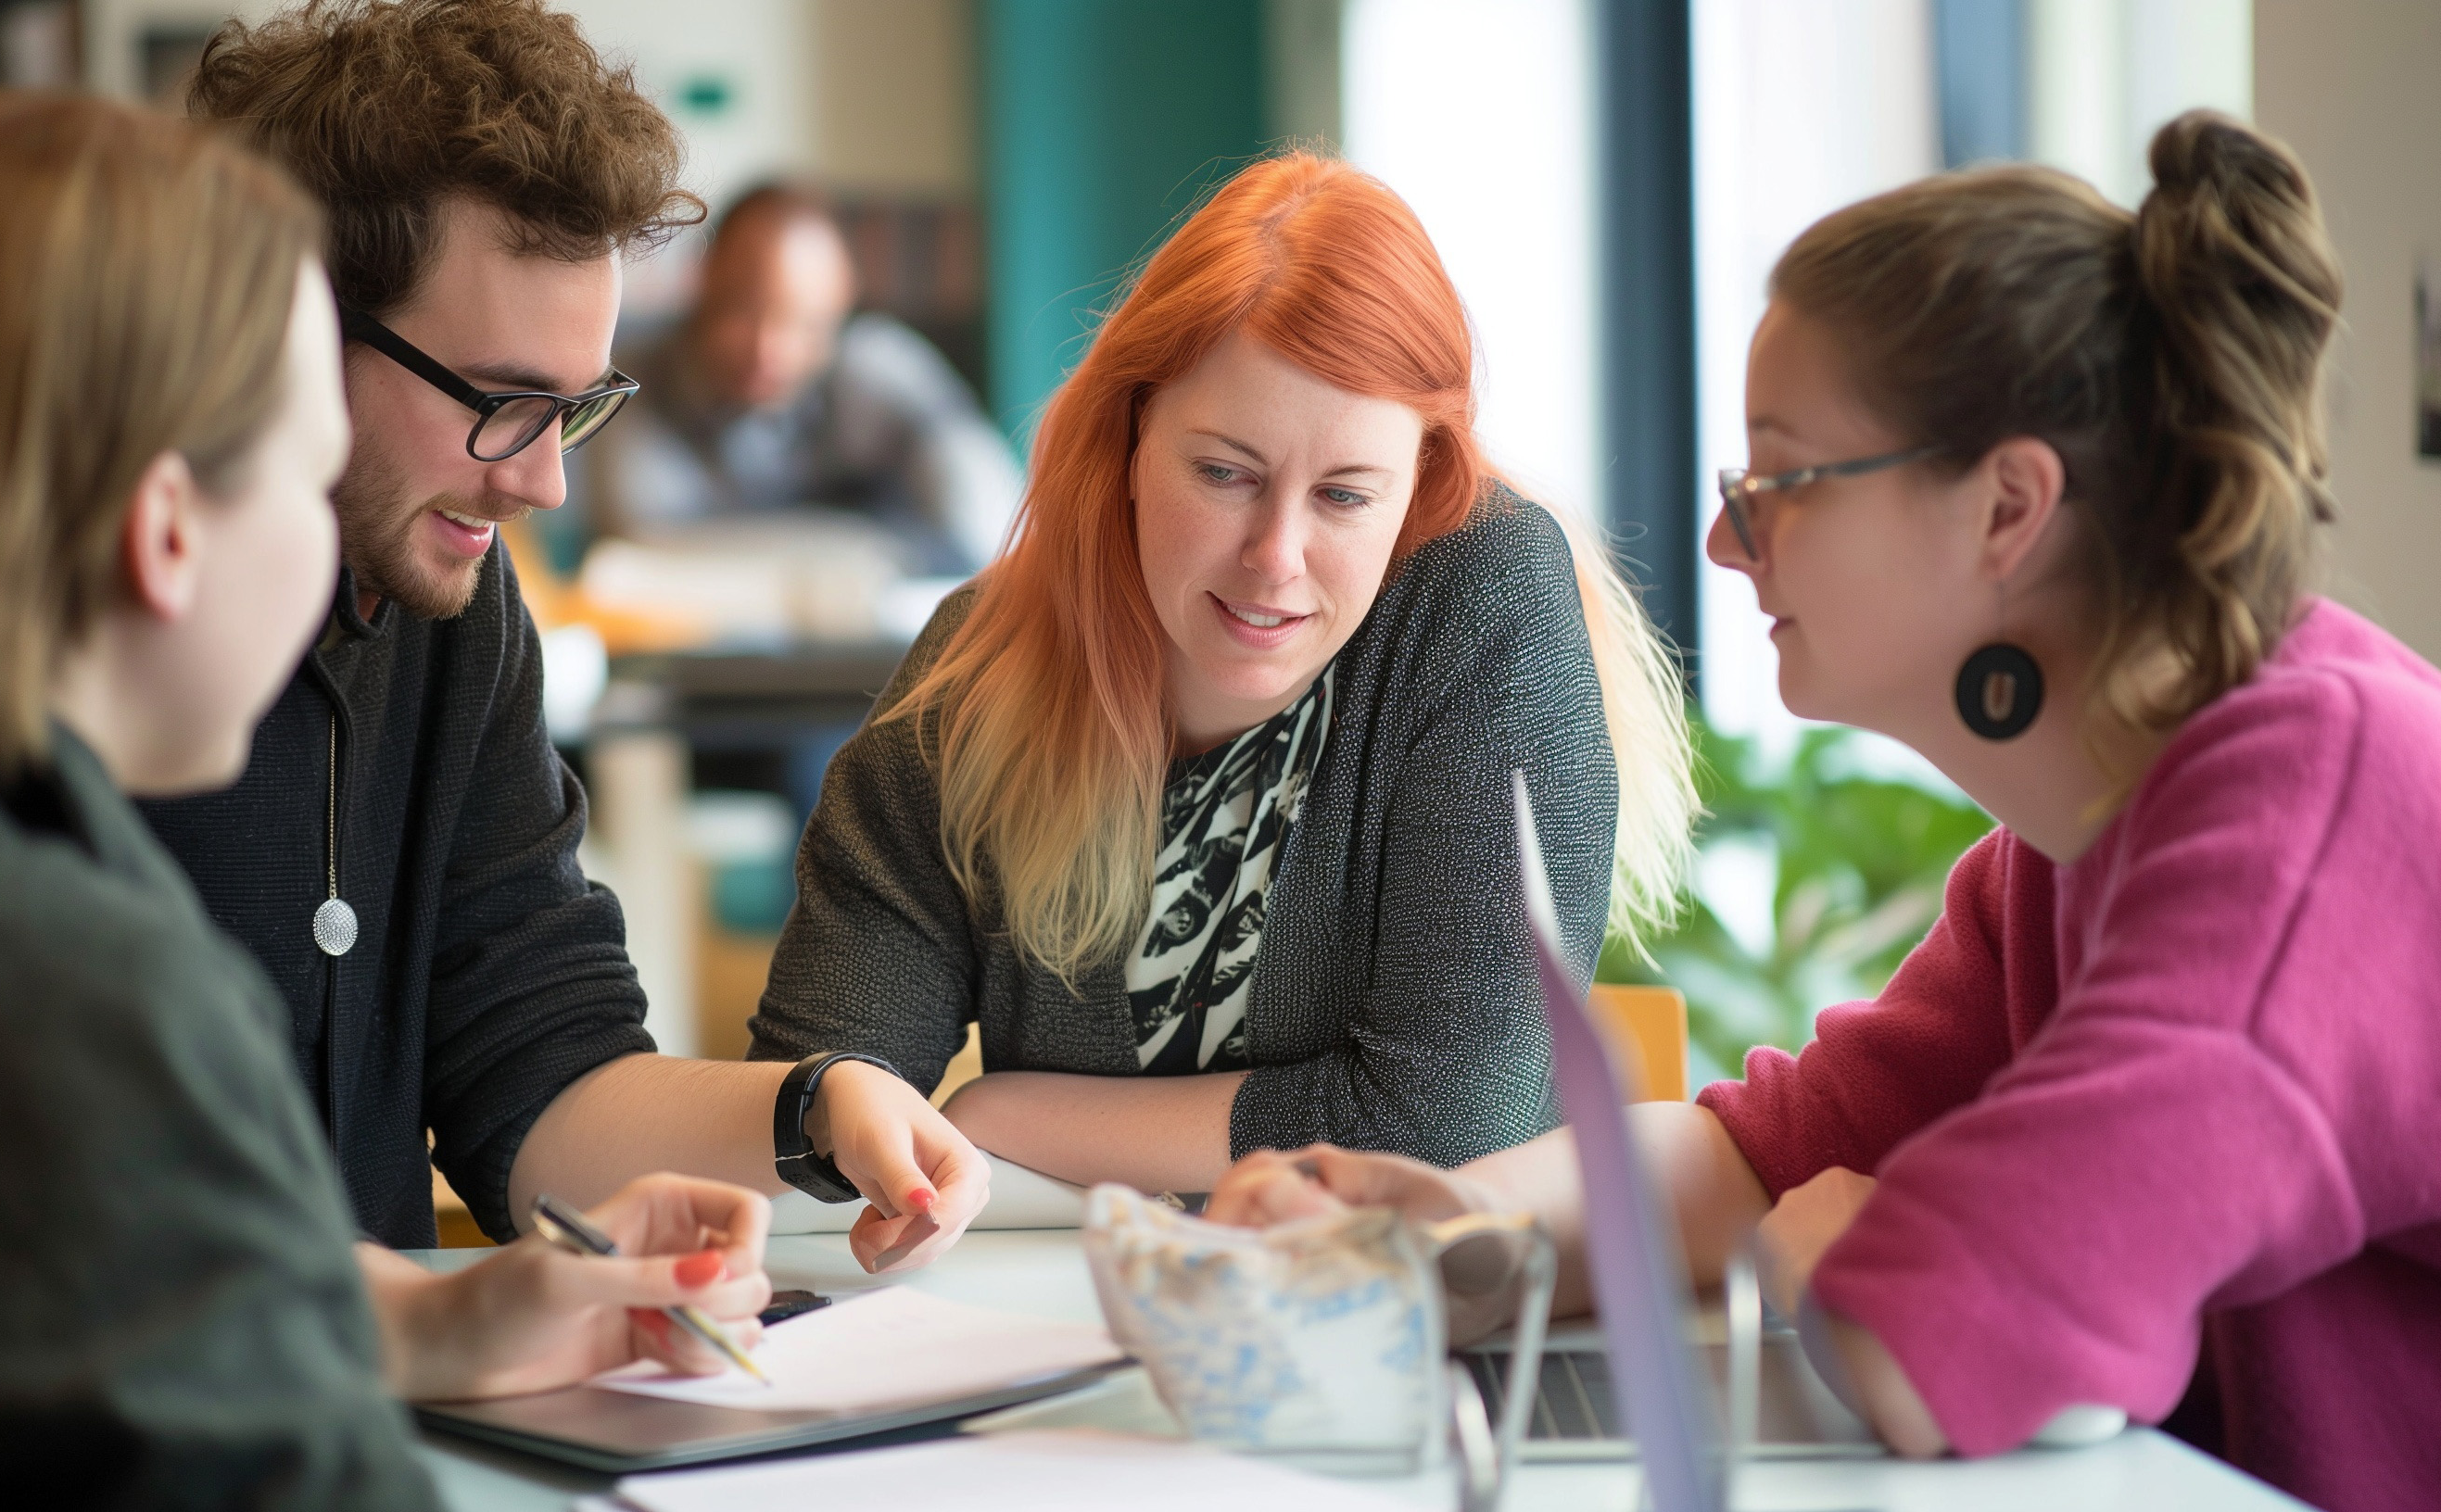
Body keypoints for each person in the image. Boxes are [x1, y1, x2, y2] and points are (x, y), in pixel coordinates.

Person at [1207, 114, 2441, 1512]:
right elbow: (1766, 1147)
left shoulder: (2307, 823)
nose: (1726, 540)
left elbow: (1930, 1343)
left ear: (2006, 510)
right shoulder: (2069, 853)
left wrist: (1833, 1240)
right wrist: (1450, 1221)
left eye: (1779, 481)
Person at [0, 93, 771, 1506]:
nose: (543, 477)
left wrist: (432, 1319)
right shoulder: (85, 995)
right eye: (299, 476)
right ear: (167, 533)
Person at [143, 0, 985, 1275]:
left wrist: (811, 1110)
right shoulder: (86, 648)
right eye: (501, 404)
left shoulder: (459, 608)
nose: (544, 485)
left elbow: (533, 1063)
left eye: (574, 410)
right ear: (292, 327)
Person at [749, 154, 1697, 1193]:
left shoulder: (1481, 597)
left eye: (1344, 497)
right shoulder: (980, 664)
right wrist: (839, 1100)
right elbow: (807, 1086)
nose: (1275, 559)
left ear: (1419, 485)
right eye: (1223, 474)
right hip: (1068, 1314)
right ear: (1127, 436)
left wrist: (1003, 1113)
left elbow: (1458, 1125)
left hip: (1414, 1308)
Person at [603, 183, 1021, 575]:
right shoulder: (632, 383)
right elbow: (644, 553)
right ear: (701, 285)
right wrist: (870, 549)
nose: (767, 349)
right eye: (742, 311)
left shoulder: (877, 371)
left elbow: (993, 529)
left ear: (841, 309)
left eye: (802, 323)